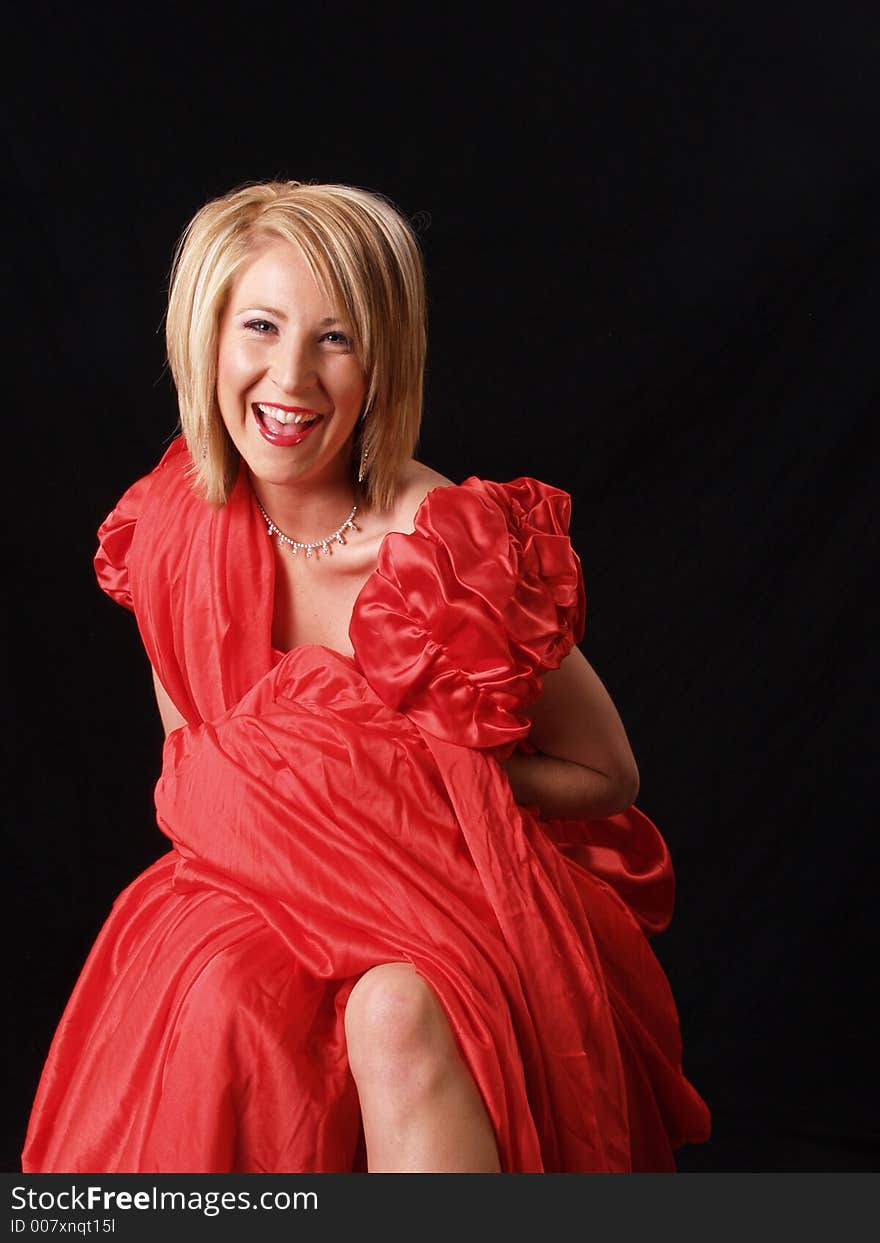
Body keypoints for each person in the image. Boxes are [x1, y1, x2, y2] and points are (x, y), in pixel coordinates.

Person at [22, 180, 710, 1173]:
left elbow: (607, 778)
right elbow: (206, 781)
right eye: (259, 325)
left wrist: (399, 786)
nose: (289, 376)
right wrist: (333, 794)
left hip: (455, 890)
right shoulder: (173, 531)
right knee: (221, 995)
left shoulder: (449, 552)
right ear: (206, 340)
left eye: (334, 338)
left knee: (397, 1005)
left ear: (382, 361)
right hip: (259, 885)